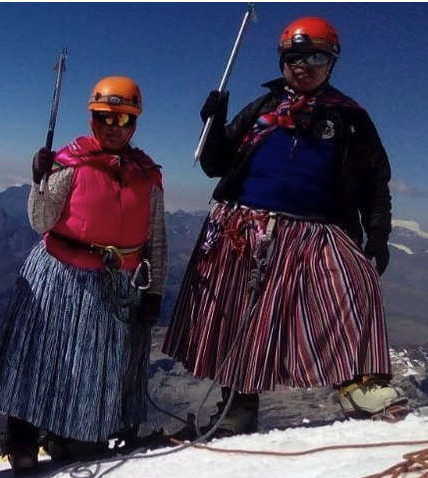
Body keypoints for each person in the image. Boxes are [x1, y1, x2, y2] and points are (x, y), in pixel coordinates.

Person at [163, 16, 407, 437]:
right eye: (295, 56)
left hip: (316, 229)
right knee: (238, 311)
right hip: (243, 226)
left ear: (331, 63)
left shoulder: (348, 118)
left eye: (317, 56)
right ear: (282, 60)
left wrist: (378, 236)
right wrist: (214, 125)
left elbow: (374, 183)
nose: (304, 65)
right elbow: (214, 165)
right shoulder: (261, 110)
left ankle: (357, 382)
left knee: (355, 282)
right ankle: (238, 402)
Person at [0, 76, 167, 472]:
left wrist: (154, 294)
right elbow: (40, 219)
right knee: (39, 356)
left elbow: (156, 241)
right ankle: (23, 439)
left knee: (92, 371)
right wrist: (40, 180)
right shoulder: (72, 161)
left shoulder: (146, 176)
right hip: (61, 276)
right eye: (105, 118)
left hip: (115, 285)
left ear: (134, 123)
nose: (113, 127)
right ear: (92, 119)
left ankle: (76, 437)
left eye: (123, 119)